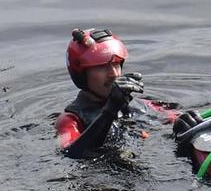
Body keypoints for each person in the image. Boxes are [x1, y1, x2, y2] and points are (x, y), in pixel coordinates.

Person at [55, 28, 145, 159]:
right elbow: (70, 153)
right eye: (102, 66)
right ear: (81, 74)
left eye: (116, 64)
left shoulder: (140, 105)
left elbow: (172, 117)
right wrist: (110, 110)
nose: (114, 74)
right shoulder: (70, 120)